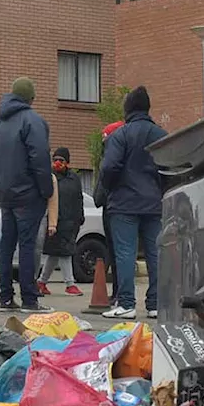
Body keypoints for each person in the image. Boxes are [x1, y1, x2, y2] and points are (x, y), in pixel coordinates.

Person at [100, 86, 168, 320]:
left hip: (124, 203)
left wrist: (111, 187)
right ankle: (156, 304)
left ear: (128, 108)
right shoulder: (162, 136)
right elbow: (172, 169)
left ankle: (127, 303)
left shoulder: (121, 135)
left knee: (125, 254)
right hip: (154, 203)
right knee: (156, 254)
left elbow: (109, 167)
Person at [0, 77, 53, 313]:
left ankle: (5, 297)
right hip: (28, 193)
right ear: (31, 98)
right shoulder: (33, 121)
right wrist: (46, 190)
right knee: (27, 246)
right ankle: (29, 298)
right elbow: (40, 159)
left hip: (6, 193)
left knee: (7, 244)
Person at [38, 147, 85, 296]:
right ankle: (69, 284)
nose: (58, 163)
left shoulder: (74, 179)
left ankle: (41, 282)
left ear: (68, 163)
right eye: (55, 160)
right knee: (64, 253)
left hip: (71, 222)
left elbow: (79, 198)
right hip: (54, 222)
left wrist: (80, 217)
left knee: (55, 254)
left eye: (61, 160)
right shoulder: (49, 178)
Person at [92, 121, 122, 301]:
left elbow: (104, 183)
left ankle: (120, 294)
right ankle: (119, 292)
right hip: (113, 208)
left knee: (118, 253)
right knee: (117, 253)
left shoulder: (112, 158)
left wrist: (99, 197)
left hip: (113, 209)